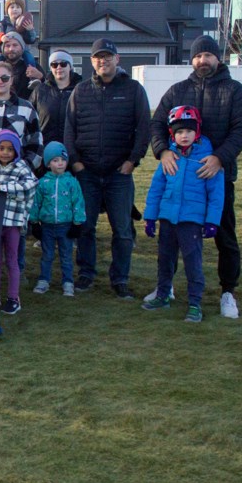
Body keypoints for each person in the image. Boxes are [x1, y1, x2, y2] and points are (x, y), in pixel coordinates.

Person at [147, 35, 242, 319]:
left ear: (217, 58)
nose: (202, 60)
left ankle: (227, 291)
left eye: (208, 55)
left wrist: (220, 157)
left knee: (224, 237)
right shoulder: (178, 90)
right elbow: (157, 123)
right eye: (197, 56)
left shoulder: (234, 90)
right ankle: (165, 288)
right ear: (191, 60)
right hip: (178, 181)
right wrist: (162, 152)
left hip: (217, 178)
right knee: (170, 240)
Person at [64, 38, 151, 298]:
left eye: (108, 56)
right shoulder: (80, 91)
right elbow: (69, 129)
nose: (103, 61)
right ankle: (86, 274)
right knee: (85, 227)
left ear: (117, 59)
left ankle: (120, 278)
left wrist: (132, 160)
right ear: (92, 61)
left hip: (118, 174)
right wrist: (76, 162)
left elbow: (144, 128)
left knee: (122, 230)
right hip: (87, 172)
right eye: (98, 57)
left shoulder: (134, 90)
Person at [142, 106, 225, 323]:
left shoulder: (207, 159)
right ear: (172, 134)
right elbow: (156, 189)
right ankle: (163, 295)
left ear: (196, 131)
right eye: (179, 132)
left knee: (192, 262)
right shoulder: (169, 158)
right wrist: (150, 217)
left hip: (192, 221)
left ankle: (195, 303)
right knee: (165, 260)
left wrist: (212, 221)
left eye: (188, 131)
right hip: (168, 218)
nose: (184, 135)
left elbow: (216, 195)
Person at [0, 130, 37, 315]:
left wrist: (5, 188)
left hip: (13, 223)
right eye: (1, 148)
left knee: (12, 260)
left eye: (10, 149)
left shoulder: (21, 167)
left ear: (16, 150)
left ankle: (13, 298)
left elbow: (30, 186)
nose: (5, 152)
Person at [28, 141, 85, 297]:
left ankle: (68, 282)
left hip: (66, 225)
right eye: (55, 160)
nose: (60, 163)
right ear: (48, 164)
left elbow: (78, 202)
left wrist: (77, 223)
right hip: (47, 226)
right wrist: (34, 222)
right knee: (47, 255)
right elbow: (36, 203)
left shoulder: (72, 182)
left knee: (66, 255)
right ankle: (44, 280)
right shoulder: (42, 183)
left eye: (62, 160)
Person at [0, 60, 43, 172]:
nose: (0, 81)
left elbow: (36, 142)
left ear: (11, 80)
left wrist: (25, 168)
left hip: (16, 175)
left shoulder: (27, 108)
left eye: (5, 78)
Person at [30, 50, 82, 150]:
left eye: (63, 64)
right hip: (45, 149)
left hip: (72, 150)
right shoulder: (40, 91)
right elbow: (30, 118)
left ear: (70, 66)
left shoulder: (80, 90)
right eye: (54, 65)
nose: (59, 67)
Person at [0, 32, 44, 100]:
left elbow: (50, 91)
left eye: (15, 45)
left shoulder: (33, 66)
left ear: (22, 48)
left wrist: (41, 77)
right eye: (7, 46)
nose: (11, 49)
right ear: (2, 49)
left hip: (27, 107)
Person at [0, 0, 38, 69]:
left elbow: (31, 40)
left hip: (23, 51)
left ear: (22, 10)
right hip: (5, 51)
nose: (15, 9)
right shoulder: (3, 24)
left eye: (18, 7)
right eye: (12, 7)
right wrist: (1, 37)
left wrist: (30, 30)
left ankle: (32, 76)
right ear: (7, 11)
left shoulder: (25, 24)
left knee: (29, 58)